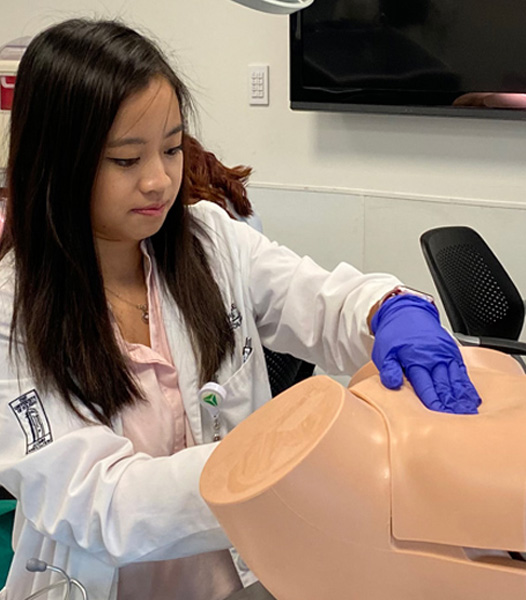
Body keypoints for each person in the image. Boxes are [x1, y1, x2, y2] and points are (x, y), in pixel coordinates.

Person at [0, 18, 480, 600]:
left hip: (242, 580)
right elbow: (98, 505)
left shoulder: (208, 240)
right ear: (58, 162)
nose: (160, 180)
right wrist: (271, 463)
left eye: (173, 148)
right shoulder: (15, 309)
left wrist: (389, 310)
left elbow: (320, 301)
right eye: (126, 159)